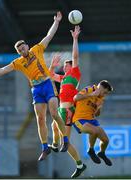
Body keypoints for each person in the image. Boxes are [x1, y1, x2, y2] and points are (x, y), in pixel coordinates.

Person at [0, 11, 69, 161]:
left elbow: (49, 36)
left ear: (27, 47)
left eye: (23, 48)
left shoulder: (37, 49)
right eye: (19, 50)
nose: (22, 50)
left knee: (54, 113)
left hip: (47, 84)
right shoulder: (18, 62)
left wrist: (56, 22)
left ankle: (66, 140)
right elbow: (2, 70)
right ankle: (45, 148)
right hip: (36, 89)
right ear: (18, 52)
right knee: (40, 119)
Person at [49, 26, 86, 178]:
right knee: (53, 125)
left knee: (67, 141)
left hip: (69, 110)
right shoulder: (63, 78)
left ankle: (80, 164)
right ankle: (56, 145)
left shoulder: (74, 73)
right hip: (60, 110)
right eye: (63, 65)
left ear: (72, 66)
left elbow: (75, 56)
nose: (64, 66)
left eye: (66, 64)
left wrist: (75, 39)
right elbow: (50, 75)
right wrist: (52, 65)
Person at [73, 80, 113, 166]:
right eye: (105, 92)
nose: (105, 95)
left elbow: (97, 114)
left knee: (106, 140)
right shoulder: (90, 89)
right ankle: (91, 150)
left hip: (92, 120)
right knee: (94, 131)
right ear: (102, 88)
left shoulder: (101, 98)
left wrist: (98, 109)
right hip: (79, 119)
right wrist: (91, 94)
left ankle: (102, 153)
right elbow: (75, 98)